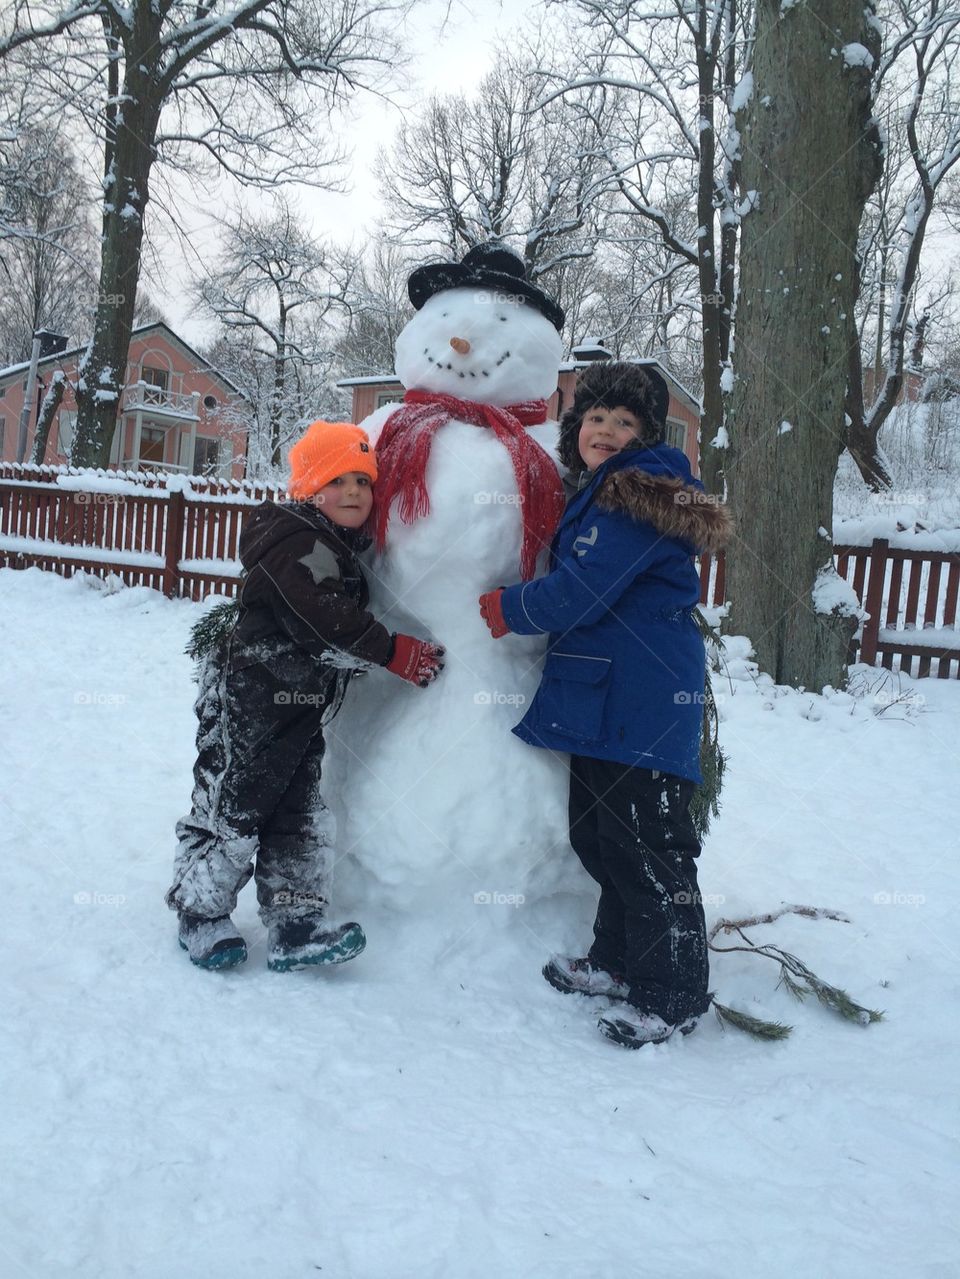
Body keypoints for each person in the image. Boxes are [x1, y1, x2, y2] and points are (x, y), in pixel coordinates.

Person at [478, 362, 732, 1048]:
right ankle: (618, 962)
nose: (608, 430)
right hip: (606, 698)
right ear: (576, 428)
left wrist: (507, 607)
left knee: (650, 849)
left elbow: (582, 591)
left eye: (626, 422)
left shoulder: (638, 496)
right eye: (595, 418)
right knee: (603, 839)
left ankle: (672, 992)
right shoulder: (604, 493)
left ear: (648, 436)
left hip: (641, 700)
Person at [166, 421, 445, 972]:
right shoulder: (296, 540)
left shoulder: (331, 543)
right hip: (249, 700)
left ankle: (295, 926)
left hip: (296, 705)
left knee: (299, 812)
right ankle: (200, 912)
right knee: (237, 805)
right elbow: (320, 620)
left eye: (363, 483)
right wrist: (391, 651)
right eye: (338, 481)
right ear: (309, 487)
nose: (354, 494)